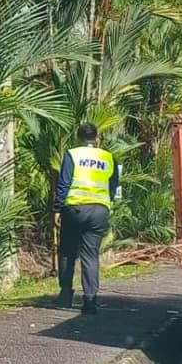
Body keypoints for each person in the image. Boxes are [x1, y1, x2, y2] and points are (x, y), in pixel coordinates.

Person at [54, 122, 119, 315]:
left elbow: (64, 183)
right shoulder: (108, 157)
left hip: (74, 210)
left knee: (67, 252)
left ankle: (65, 295)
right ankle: (90, 300)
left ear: (79, 138)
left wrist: (57, 208)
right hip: (99, 211)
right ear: (97, 139)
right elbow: (114, 185)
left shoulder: (72, 154)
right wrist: (107, 203)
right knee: (90, 255)